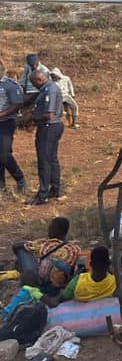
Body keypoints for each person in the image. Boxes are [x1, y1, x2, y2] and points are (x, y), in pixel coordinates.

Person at [12, 216, 80, 293]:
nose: (49, 229)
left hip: (41, 279)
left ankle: (26, 280)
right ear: (66, 232)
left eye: (51, 227)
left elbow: (16, 246)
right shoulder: (73, 248)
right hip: (60, 281)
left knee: (21, 250)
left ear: (52, 230)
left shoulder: (45, 244)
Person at [29, 68, 64, 204]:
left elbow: (49, 115)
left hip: (49, 127)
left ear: (39, 80)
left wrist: (32, 118)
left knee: (44, 161)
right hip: (52, 127)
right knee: (52, 159)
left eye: (34, 83)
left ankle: (43, 195)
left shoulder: (50, 90)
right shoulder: (46, 89)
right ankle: (55, 190)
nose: (34, 86)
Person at [0, 65, 26, 196]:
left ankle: (19, 178)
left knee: (4, 155)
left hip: (5, 123)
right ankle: (1, 186)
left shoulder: (9, 85)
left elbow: (17, 104)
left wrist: (2, 114)